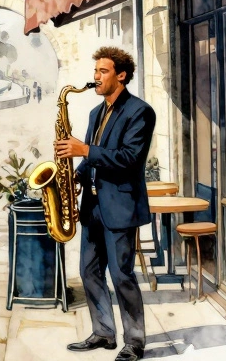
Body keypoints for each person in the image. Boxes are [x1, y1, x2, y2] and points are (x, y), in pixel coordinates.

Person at [54, 47, 156, 361]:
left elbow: (128, 160)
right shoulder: (96, 113)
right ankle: (103, 333)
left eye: (103, 72)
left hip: (121, 207)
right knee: (88, 271)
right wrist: (77, 177)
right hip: (93, 207)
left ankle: (135, 342)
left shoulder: (140, 112)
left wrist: (84, 150)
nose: (95, 77)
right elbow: (92, 160)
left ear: (121, 75)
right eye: (96, 71)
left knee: (122, 276)